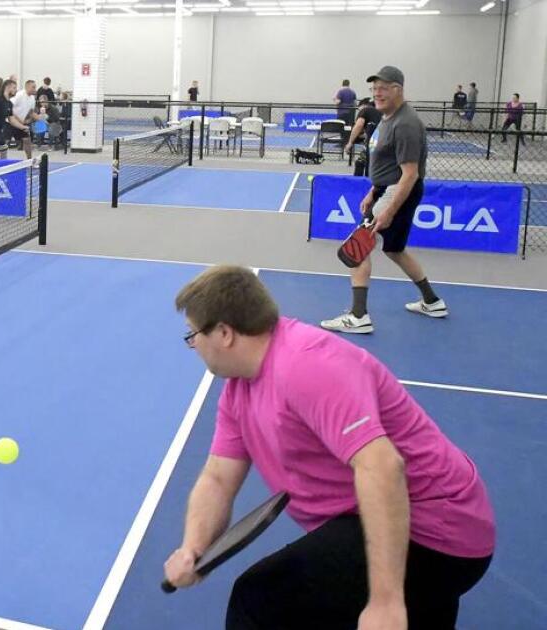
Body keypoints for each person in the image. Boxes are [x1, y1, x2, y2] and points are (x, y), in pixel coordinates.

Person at [166, 265, 494, 629]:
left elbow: (382, 467)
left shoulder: (306, 366)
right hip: (393, 520)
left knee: (258, 599)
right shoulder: (239, 389)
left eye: (193, 334)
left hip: (435, 531)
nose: (192, 344)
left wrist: (385, 601)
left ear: (224, 332)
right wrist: (193, 547)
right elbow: (218, 479)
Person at [321, 66, 444, 334]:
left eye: (383, 88)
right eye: (374, 88)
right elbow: (389, 166)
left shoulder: (406, 123)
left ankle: (358, 316)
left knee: (357, 248)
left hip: (397, 192)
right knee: (394, 250)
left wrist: (387, 209)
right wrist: (373, 191)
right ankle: (432, 301)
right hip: (385, 190)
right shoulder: (389, 117)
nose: (377, 93)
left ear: (398, 89)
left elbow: (409, 175)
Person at [345, 97, 382, 175]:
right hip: (386, 141)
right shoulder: (381, 112)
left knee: (361, 162)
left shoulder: (365, 110)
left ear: (363, 105)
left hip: (374, 143)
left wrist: (350, 142)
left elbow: (358, 126)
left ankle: (359, 184)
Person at [10, 80, 41, 159]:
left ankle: (30, 161)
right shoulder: (19, 95)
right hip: (9, 122)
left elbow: (31, 112)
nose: (35, 89)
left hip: (21, 124)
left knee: (27, 140)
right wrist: (18, 120)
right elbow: (9, 108)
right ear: (27, 87)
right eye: (33, 87)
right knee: (4, 143)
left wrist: (40, 118)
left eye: (35, 87)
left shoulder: (32, 99)